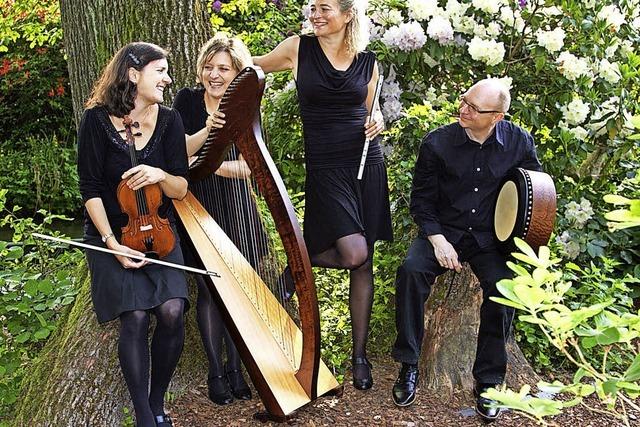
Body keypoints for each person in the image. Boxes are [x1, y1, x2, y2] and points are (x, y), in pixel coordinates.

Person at [253, 0, 392, 390]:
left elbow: (372, 109)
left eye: (324, 7)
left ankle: (359, 357)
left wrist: (378, 117)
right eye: (312, 7)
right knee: (353, 253)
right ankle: (296, 267)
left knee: (365, 263)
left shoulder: (368, 62)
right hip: (326, 167)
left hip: (365, 163)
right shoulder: (298, 49)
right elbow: (252, 67)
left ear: (348, 15)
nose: (315, 14)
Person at [390, 78, 542, 422]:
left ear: (497, 117)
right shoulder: (437, 142)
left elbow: (535, 193)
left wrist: (517, 233)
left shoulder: (519, 143)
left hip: (493, 239)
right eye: (464, 101)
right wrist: (436, 238)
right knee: (411, 272)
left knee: (504, 290)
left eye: (474, 108)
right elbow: (422, 201)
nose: (464, 110)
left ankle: (489, 381)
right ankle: (409, 363)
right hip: (446, 232)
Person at [77, 42, 189, 427]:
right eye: (160, 71)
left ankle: (157, 402)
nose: (167, 78)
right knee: (137, 315)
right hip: (111, 233)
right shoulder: (95, 121)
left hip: (159, 233)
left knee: (173, 311)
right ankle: (144, 416)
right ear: (133, 73)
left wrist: (160, 175)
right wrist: (112, 244)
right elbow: (90, 189)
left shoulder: (171, 121)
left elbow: (181, 188)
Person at [172, 33, 255, 405]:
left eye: (223, 68)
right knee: (209, 288)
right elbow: (175, 152)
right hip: (195, 206)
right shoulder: (187, 101)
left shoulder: (247, 104)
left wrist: (210, 165)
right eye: (209, 66)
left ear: (238, 71)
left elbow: (250, 168)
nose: (214, 74)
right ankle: (215, 371)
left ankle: (237, 368)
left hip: (235, 205)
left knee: (237, 289)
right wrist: (207, 132)